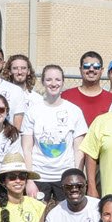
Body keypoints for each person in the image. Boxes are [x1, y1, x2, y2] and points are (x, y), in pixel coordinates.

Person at [23, 64, 88, 200]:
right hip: (39, 176)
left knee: (67, 217)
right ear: (43, 82)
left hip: (65, 175)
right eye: (49, 80)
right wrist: (29, 180)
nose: (53, 84)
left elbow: (78, 150)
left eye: (57, 80)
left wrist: (76, 176)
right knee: (36, 218)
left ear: (63, 82)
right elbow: (27, 148)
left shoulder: (74, 111)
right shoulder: (33, 111)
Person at [62, 50, 112, 125]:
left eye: (96, 67)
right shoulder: (66, 96)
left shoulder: (111, 99)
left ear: (101, 70)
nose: (91, 69)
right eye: (86, 66)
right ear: (80, 69)